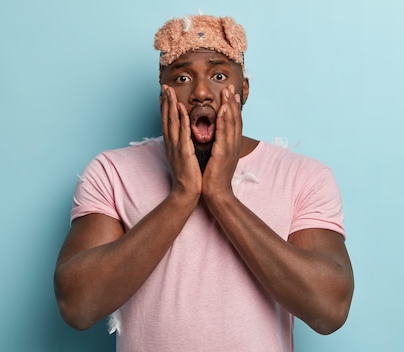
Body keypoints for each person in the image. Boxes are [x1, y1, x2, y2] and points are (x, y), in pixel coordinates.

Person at [54, 13, 354, 351]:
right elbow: (77, 306)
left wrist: (220, 196)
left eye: (219, 75)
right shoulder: (112, 172)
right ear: (162, 93)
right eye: (181, 77)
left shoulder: (303, 176)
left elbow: (330, 309)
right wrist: (182, 195)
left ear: (243, 90)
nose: (199, 92)